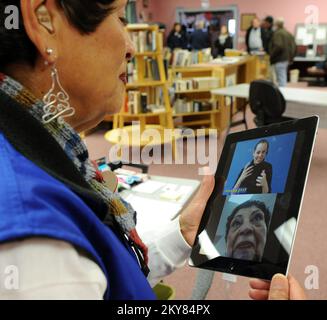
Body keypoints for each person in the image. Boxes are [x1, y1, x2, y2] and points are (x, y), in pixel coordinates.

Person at [0, 0, 304, 301]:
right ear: (43, 21)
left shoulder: (38, 155)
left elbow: (110, 280)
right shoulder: (36, 240)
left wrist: (182, 234)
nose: (131, 47)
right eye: (119, 17)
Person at [269, 18, 297, 87]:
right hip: (286, 59)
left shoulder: (278, 33)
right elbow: (294, 46)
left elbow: (278, 46)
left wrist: (271, 55)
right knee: (282, 77)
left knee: (281, 79)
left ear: (276, 25)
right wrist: (291, 57)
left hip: (279, 59)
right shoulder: (288, 33)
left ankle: (282, 95)